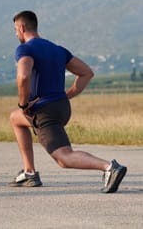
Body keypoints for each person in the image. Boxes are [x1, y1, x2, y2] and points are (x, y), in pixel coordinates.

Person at [8, 10, 127, 193]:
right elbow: (87, 73)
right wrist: (67, 95)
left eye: (15, 30)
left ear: (22, 28)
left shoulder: (25, 49)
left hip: (44, 111)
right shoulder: (58, 49)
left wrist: (23, 105)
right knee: (16, 118)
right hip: (62, 107)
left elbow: (23, 76)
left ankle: (109, 168)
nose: (16, 34)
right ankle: (29, 172)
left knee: (64, 158)